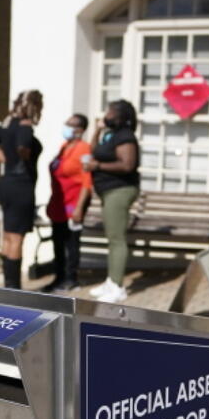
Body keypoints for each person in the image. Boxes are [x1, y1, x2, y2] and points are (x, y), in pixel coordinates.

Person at [82, 99, 140, 304]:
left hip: (120, 190)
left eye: (110, 112)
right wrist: (98, 130)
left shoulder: (125, 136)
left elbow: (127, 165)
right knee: (112, 236)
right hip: (108, 191)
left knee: (116, 238)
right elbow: (93, 149)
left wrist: (97, 166)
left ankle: (117, 287)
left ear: (121, 116)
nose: (106, 114)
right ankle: (111, 280)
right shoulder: (111, 135)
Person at [0, 90, 44, 289]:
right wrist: (22, 155)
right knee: (17, 237)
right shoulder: (25, 127)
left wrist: (8, 160)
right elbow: (23, 147)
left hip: (7, 183)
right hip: (21, 186)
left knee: (8, 235)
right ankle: (14, 289)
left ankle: (8, 285)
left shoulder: (8, 123)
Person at [43, 112, 93, 292]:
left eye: (70, 124)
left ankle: (71, 278)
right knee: (57, 240)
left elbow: (87, 181)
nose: (66, 126)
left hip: (73, 202)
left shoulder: (84, 149)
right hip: (58, 202)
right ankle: (59, 276)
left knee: (71, 242)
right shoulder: (65, 146)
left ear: (80, 130)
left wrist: (80, 208)